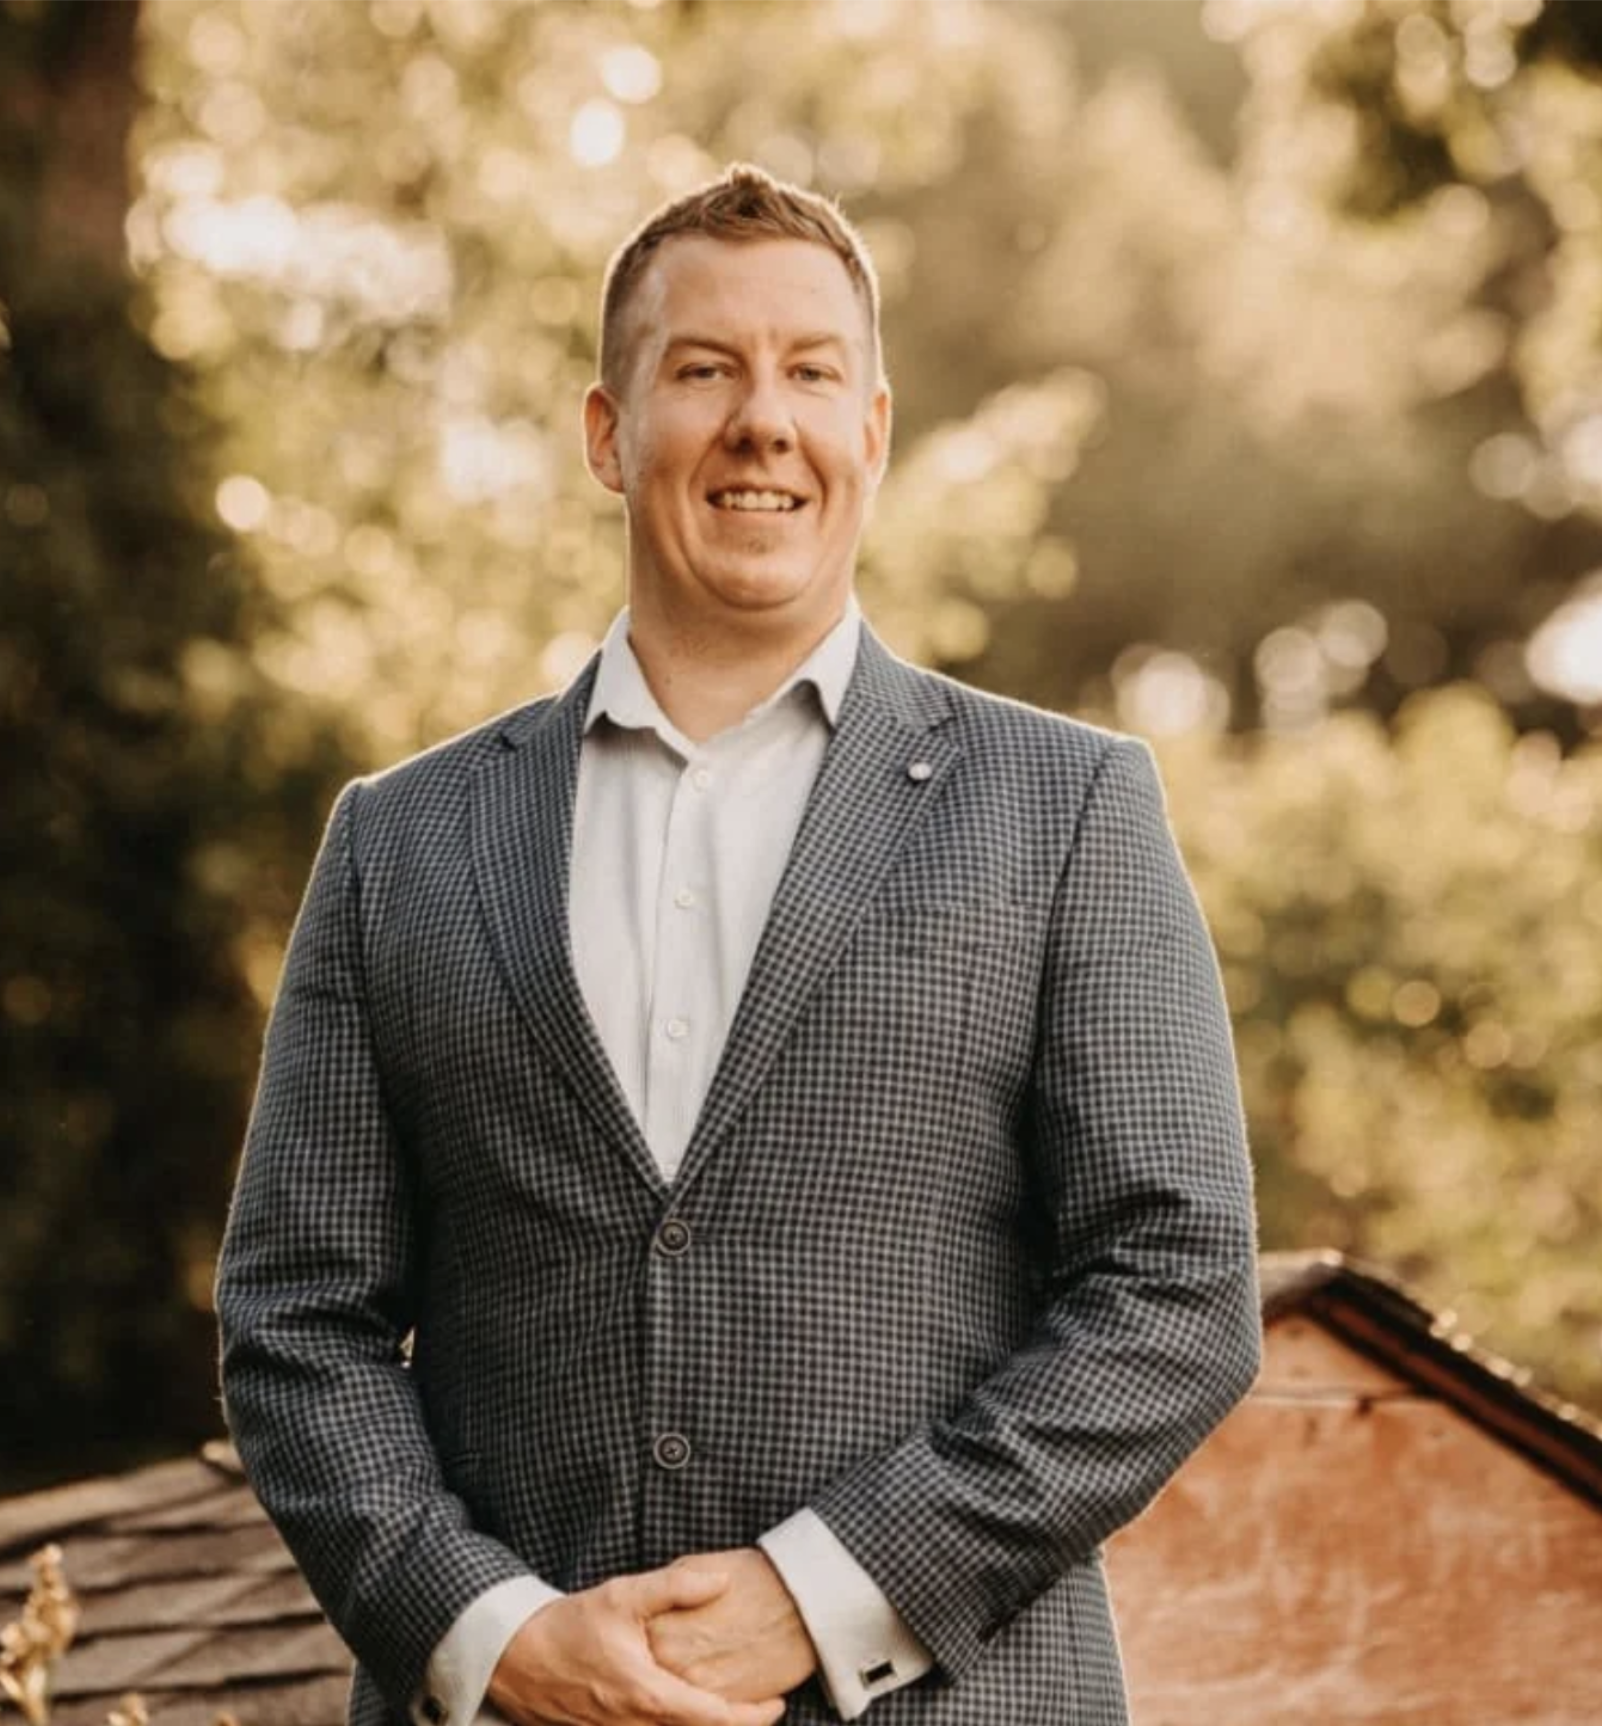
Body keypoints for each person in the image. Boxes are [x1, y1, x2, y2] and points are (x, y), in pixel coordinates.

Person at [214, 163, 1263, 1726]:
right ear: (607, 431)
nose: (763, 420)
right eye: (704, 369)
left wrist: (822, 1591)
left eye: (810, 373)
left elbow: (1177, 1287)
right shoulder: (400, 840)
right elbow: (299, 1318)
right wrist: (494, 1637)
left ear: (871, 432)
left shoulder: (1065, 808)